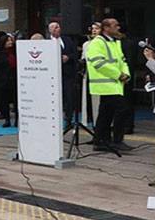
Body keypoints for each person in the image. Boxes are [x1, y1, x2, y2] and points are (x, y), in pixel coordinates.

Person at [85, 18, 132, 152]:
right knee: (122, 109)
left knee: (105, 113)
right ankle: (116, 140)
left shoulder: (114, 42)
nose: (118, 27)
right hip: (106, 84)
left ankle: (100, 141)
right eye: (115, 25)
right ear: (106, 28)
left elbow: (122, 60)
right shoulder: (97, 43)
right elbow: (98, 63)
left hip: (114, 83)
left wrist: (126, 73)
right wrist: (119, 75)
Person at [49, 21, 79, 129]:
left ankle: (68, 119)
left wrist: (68, 57)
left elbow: (75, 53)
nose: (57, 29)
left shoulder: (67, 40)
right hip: (53, 75)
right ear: (50, 30)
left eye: (58, 27)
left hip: (67, 74)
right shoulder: (47, 42)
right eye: (54, 27)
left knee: (69, 98)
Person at [0, 34, 17, 127]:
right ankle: (7, 119)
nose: (10, 42)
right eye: (8, 41)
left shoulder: (15, 52)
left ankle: (17, 120)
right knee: (4, 101)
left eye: (11, 40)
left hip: (15, 80)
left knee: (16, 101)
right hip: (2, 80)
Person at [81, 22, 103, 125]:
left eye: (97, 29)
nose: (94, 31)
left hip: (100, 77)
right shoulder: (86, 44)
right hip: (88, 76)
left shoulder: (105, 44)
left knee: (99, 105)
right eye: (93, 28)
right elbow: (83, 59)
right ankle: (94, 128)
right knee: (89, 104)